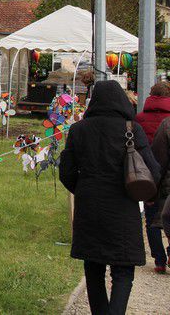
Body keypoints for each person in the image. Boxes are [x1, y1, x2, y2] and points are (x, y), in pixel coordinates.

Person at [60, 80, 161, 315]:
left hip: (89, 207)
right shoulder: (131, 129)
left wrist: (83, 189)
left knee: (93, 266)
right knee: (123, 270)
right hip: (123, 207)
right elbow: (153, 171)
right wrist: (141, 193)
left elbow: (66, 172)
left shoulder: (78, 130)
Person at [136, 81, 170, 273]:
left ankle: (159, 260)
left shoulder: (139, 118)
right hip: (167, 176)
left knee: (152, 219)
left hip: (148, 172)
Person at [151, 116, 170, 268]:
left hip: (167, 184)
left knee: (166, 216)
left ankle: (161, 259)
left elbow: (159, 160)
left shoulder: (167, 124)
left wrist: (153, 189)